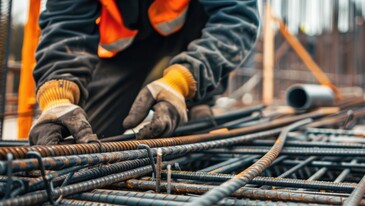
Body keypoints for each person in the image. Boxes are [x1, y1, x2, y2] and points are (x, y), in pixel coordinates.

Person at [29, 0, 259, 145]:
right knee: (84, 139)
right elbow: (66, 24)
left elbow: (235, 19)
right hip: (127, 46)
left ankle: (198, 101)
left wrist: (181, 82)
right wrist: (57, 99)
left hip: (192, 35)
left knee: (192, 130)